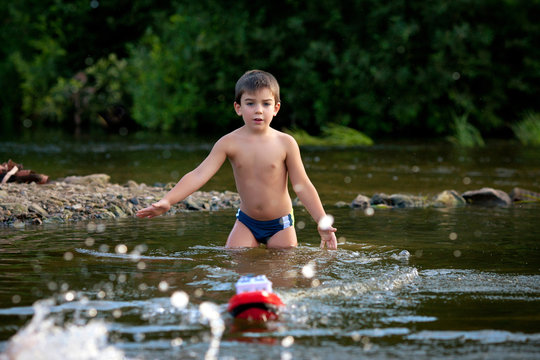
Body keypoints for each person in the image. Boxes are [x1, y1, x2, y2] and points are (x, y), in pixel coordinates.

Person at [136, 70, 337, 250]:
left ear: (275, 108)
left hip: (280, 224)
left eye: (265, 104)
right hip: (247, 223)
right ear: (238, 107)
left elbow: (302, 185)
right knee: (235, 262)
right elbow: (199, 174)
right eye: (250, 103)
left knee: (282, 274)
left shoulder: (286, 143)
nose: (258, 110)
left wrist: (322, 221)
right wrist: (167, 200)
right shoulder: (228, 143)